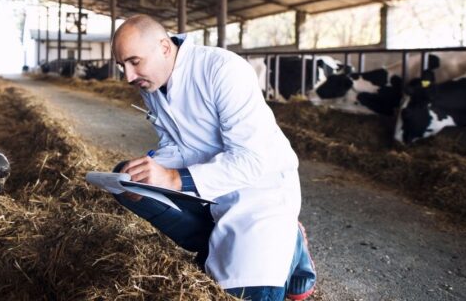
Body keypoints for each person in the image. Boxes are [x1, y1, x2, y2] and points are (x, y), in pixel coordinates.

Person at [111, 15, 316, 301]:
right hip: (208, 186)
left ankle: (287, 237)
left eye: (134, 62)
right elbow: (174, 144)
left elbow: (251, 161)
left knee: (247, 293)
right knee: (127, 181)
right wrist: (150, 169)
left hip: (260, 192)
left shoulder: (223, 70)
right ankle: (213, 243)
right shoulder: (153, 84)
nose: (128, 76)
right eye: (122, 65)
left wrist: (174, 178)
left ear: (165, 48)